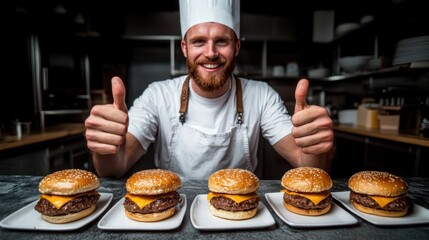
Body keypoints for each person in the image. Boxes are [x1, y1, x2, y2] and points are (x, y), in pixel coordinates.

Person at [84, 0, 334, 179]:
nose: (211, 53)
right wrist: (104, 150)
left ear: (236, 47)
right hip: (173, 210)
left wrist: (315, 148)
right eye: (199, 41)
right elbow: (115, 167)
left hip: (240, 215)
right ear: (184, 47)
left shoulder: (262, 96)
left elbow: (306, 165)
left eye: (222, 41)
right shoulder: (157, 95)